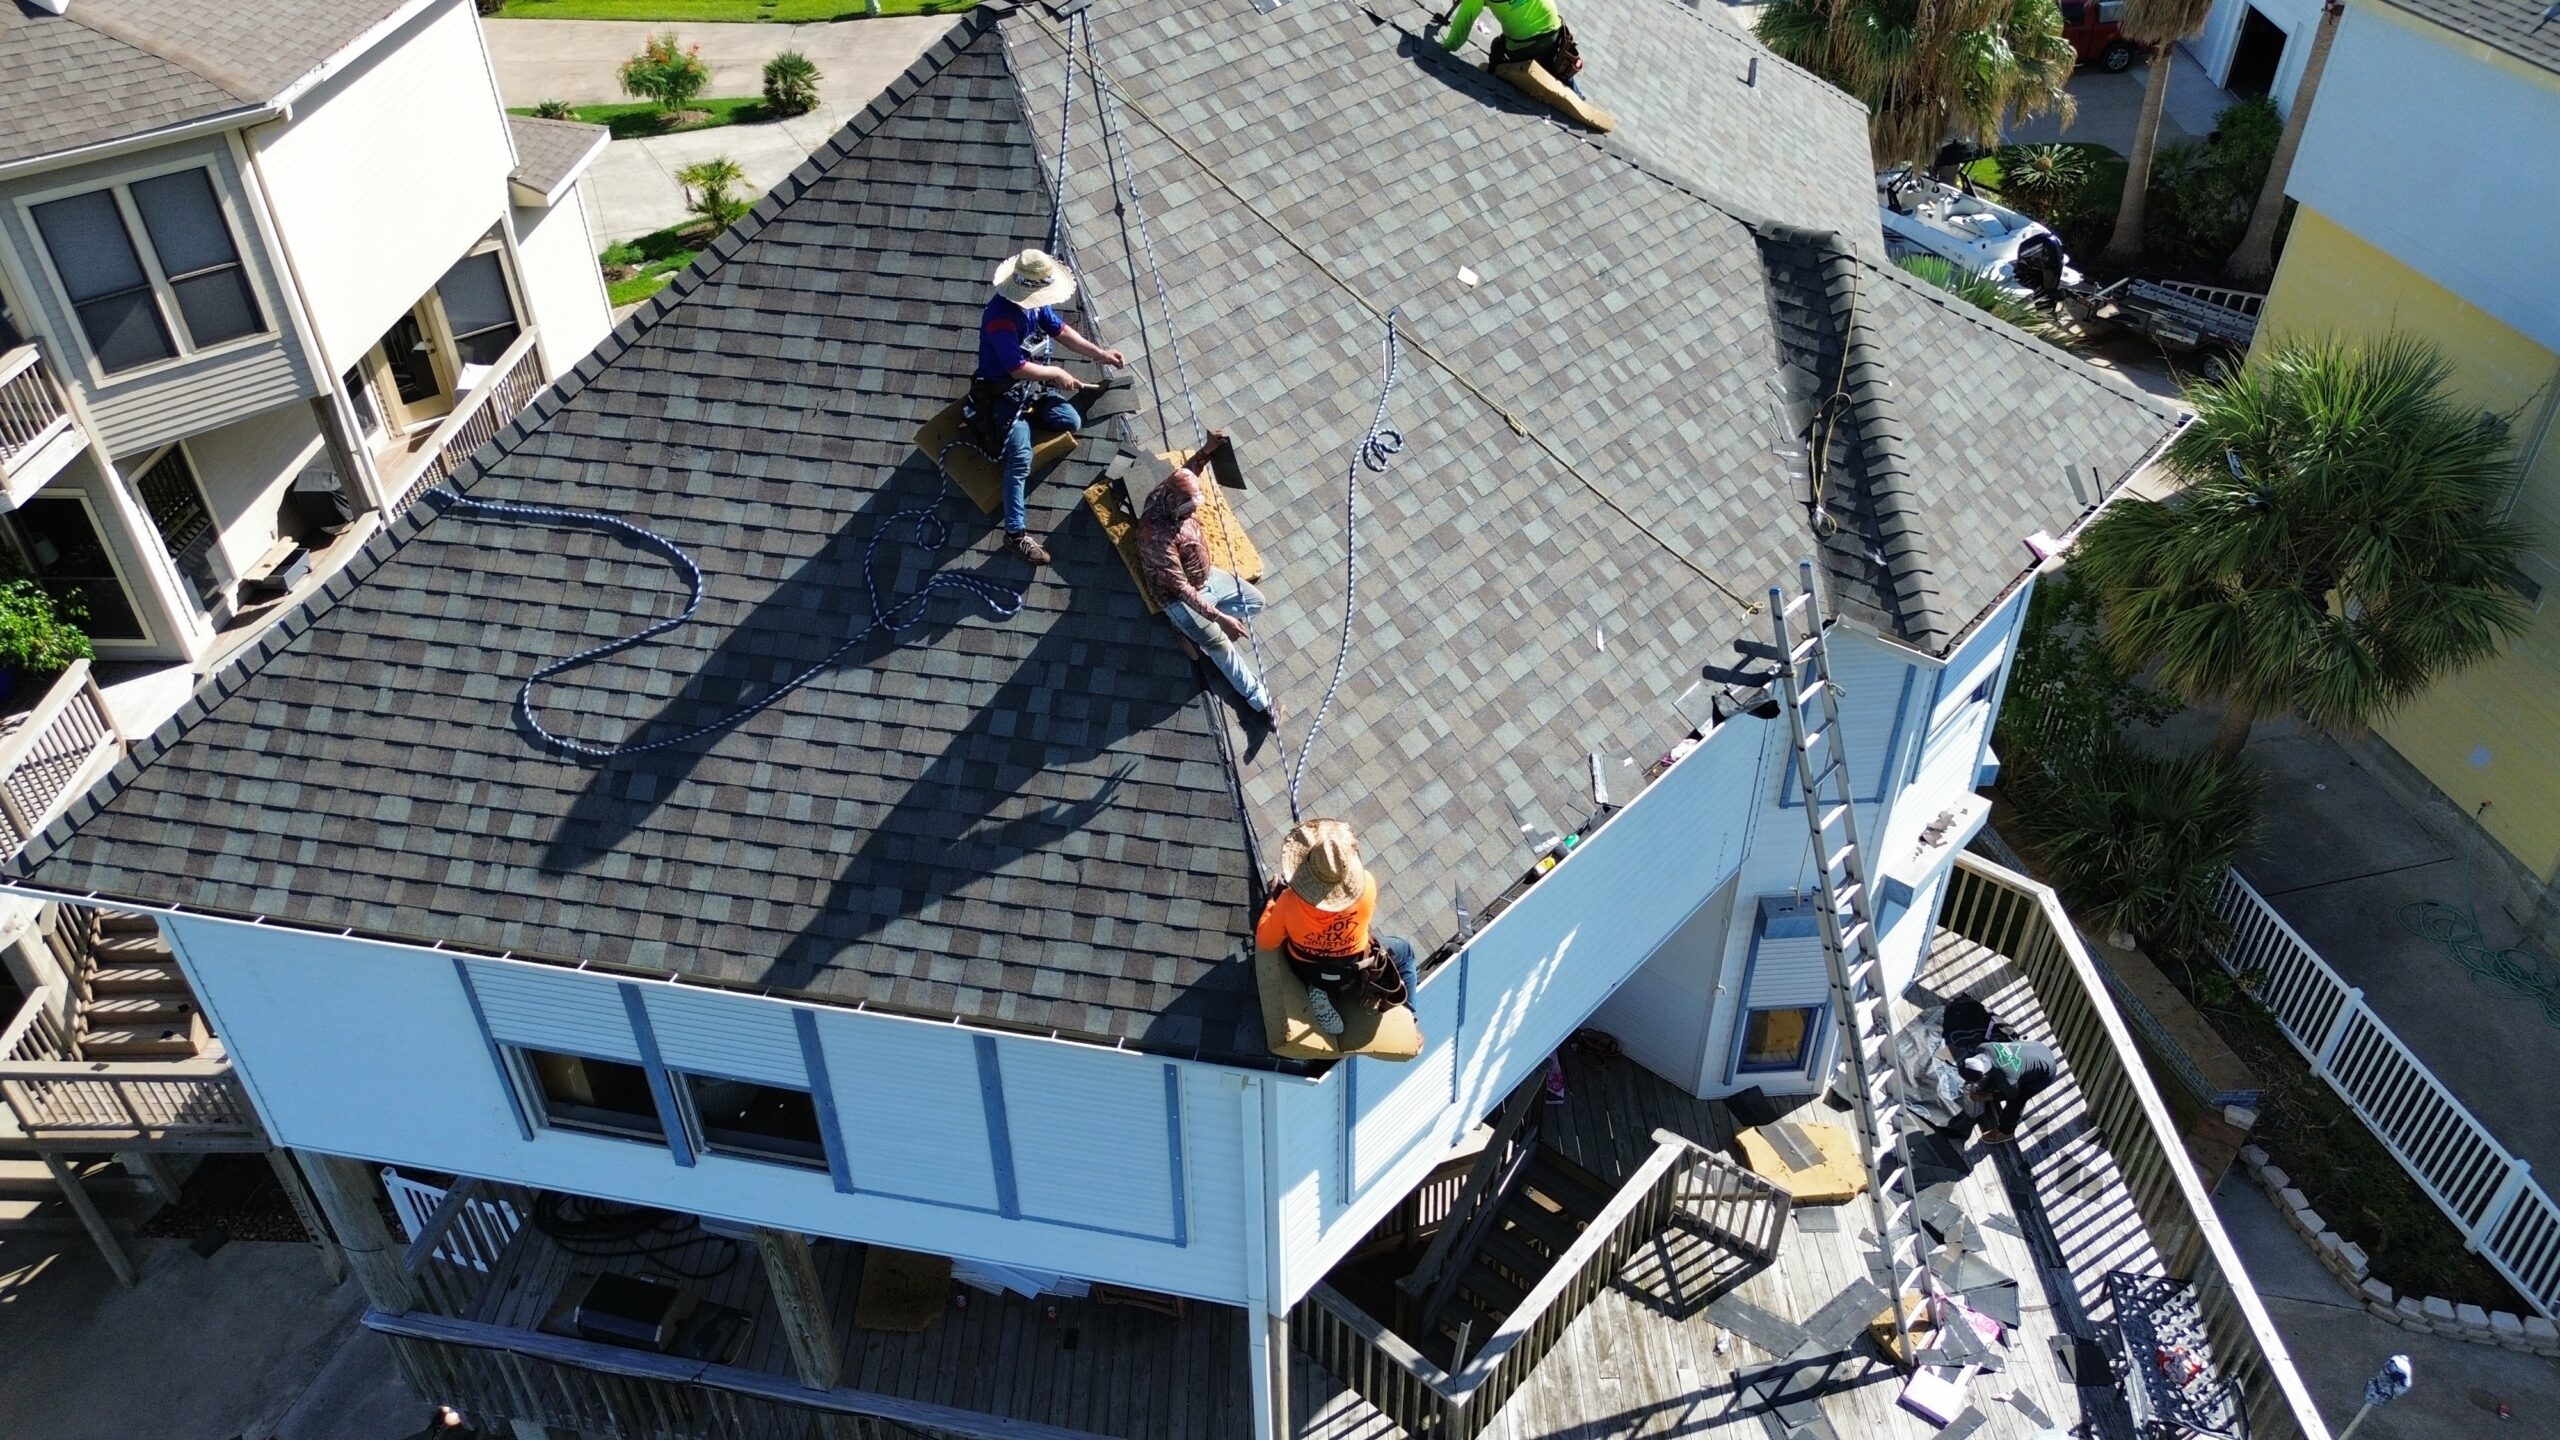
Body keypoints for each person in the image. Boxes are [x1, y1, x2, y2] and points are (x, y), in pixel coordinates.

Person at [971, 248, 1124, 566]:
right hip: (1000, 394)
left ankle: (1024, 423)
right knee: (1020, 458)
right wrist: (1055, 373)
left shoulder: (1035, 307)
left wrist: (1100, 354)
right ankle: (1015, 534)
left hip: (1029, 390)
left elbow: (1062, 332)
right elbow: (1015, 368)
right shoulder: (1000, 317)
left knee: (1070, 421)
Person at [1136, 465, 1280, 718]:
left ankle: (1196, 630)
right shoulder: (1155, 537)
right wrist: (1220, 619)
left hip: (1208, 577)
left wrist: (1207, 449)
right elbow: (1181, 589)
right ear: (1172, 500)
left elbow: (1188, 470)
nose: (1193, 512)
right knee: (1220, 645)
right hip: (1180, 600)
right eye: (1188, 507)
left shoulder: (1167, 491)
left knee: (1255, 602)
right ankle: (1259, 701)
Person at [1255, 819, 1421, 1037]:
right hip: (1352, 970)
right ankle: (1410, 1020)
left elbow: (1265, 941)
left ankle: (1320, 988)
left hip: (1307, 969)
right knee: (1405, 951)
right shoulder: (1367, 885)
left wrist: (1272, 901)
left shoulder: (1289, 901)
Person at [1441, 0, 1583, 87]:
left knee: (1497, 47)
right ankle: (1571, 86)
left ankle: (1492, 80)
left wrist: (1448, 46)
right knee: (1551, 61)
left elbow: (1464, 21)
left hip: (1525, 45)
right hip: (1557, 35)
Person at [1964, 1040, 2059, 1144]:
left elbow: (2013, 1095)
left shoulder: (2008, 1079)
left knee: (2018, 1100)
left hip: (2045, 1073)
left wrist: (1989, 1096)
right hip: (2037, 1047)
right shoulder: (1983, 1047)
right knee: (1998, 1081)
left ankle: (2006, 1131)